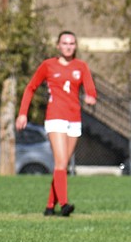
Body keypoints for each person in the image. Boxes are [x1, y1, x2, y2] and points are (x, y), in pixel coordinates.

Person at [16, 31, 98, 216]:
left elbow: (90, 88)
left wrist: (91, 97)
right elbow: (31, 87)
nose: (68, 46)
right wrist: (22, 114)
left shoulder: (81, 66)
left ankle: (49, 207)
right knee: (60, 163)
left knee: (63, 164)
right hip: (55, 117)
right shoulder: (48, 65)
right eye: (65, 43)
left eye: (71, 43)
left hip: (74, 118)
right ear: (58, 46)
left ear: (75, 46)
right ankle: (64, 204)